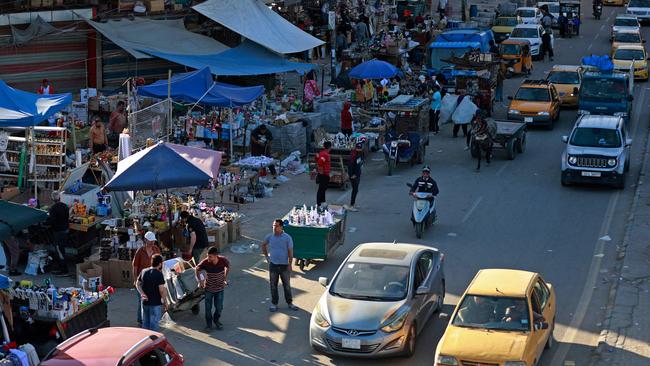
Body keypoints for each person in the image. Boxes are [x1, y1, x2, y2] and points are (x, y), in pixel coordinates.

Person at [261, 219, 298, 312]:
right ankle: (274, 304)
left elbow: (290, 251)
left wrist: (290, 264)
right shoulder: (269, 237)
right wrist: (266, 257)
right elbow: (263, 245)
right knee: (273, 285)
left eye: (276, 226)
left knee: (287, 286)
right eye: (273, 225)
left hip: (284, 266)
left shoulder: (287, 238)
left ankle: (290, 303)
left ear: (281, 227)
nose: (274, 227)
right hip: (273, 265)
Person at [195, 246, 230, 331]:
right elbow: (197, 269)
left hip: (220, 289)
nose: (208, 258)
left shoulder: (223, 260)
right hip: (209, 289)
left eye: (210, 256)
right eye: (207, 256)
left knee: (219, 308)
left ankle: (216, 320)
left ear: (216, 256)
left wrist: (225, 278)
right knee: (208, 309)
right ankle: (209, 325)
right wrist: (200, 281)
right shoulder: (206, 262)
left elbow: (228, 267)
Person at [132, 231, 161, 326]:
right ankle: (140, 320)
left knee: (152, 300)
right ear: (146, 240)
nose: (152, 243)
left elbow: (161, 263)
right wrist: (135, 279)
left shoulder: (156, 249)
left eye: (153, 241)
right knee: (142, 300)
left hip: (153, 280)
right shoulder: (140, 251)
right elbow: (135, 266)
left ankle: (151, 319)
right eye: (150, 241)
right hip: (142, 280)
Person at [136, 254, 168, 331]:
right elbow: (161, 290)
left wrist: (142, 294)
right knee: (154, 326)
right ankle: (154, 342)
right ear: (160, 264)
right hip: (155, 304)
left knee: (145, 324)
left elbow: (137, 284)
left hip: (145, 302)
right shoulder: (159, 274)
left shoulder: (143, 271)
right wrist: (165, 302)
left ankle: (146, 341)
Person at [48, 191, 69, 275]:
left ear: (52, 199)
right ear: (59, 198)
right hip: (65, 230)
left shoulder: (53, 208)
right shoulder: (65, 206)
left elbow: (52, 221)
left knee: (60, 250)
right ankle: (60, 267)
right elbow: (67, 216)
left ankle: (64, 271)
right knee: (61, 249)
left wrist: (45, 223)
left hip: (58, 231)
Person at [346, 142, 364, 212]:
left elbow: (358, 164)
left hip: (357, 175)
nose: (359, 149)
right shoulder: (354, 155)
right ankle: (351, 205)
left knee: (355, 190)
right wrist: (351, 175)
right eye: (358, 148)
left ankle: (353, 204)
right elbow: (350, 166)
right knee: (355, 190)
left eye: (360, 148)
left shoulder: (359, 154)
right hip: (354, 176)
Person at [316, 141, 332, 207]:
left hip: (324, 174)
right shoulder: (325, 155)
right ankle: (319, 204)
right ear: (329, 147)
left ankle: (323, 201)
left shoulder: (321, 153)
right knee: (321, 189)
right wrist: (321, 171)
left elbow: (317, 158)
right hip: (324, 174)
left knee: (323, 188)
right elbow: (320, 162)